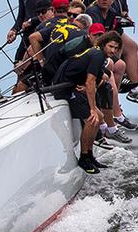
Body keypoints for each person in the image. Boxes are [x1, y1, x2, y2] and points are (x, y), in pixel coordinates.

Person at [77, 0, 138, 107]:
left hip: (113, 29)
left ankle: (134, 88)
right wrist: (82, 17)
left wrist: (125, 18)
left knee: (132, 46)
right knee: (114, 53)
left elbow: (123, 11)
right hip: (98, 31)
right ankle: (112, 100)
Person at [52, 31, 123, 173]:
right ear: (103, 44)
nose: (113, 50)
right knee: (92, 119)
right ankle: (83, 159)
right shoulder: (97, 55)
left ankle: (90, 155)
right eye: (111, 46)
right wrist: (92, 108)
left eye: (116, 48)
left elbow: (97, 78)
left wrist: (90, 86)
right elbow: (90, 81)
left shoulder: (99, 55)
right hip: (64, 87)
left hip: (75, 85)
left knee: (100, 117)